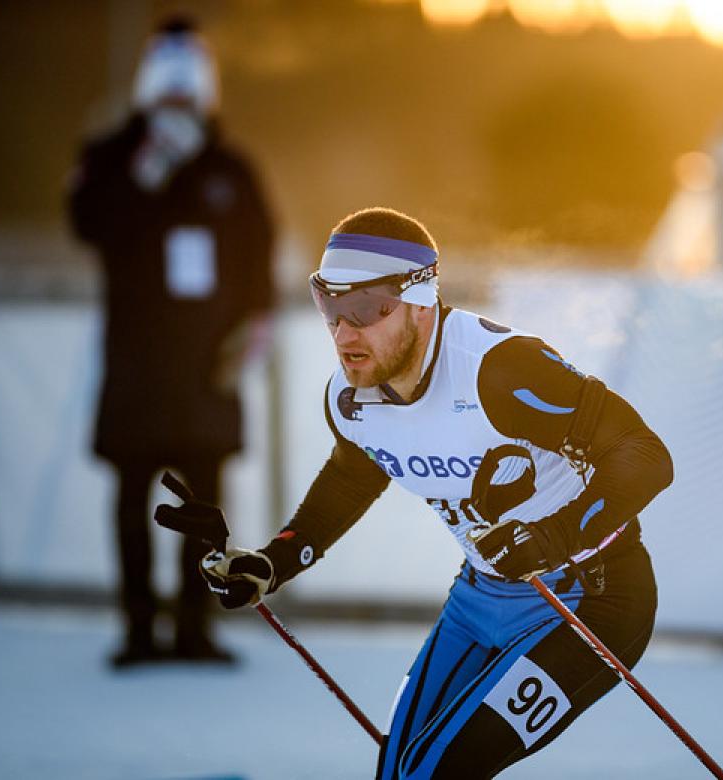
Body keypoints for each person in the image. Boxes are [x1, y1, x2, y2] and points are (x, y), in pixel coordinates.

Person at [169, 206, 673, 777]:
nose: (344, 332)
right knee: (400, 773)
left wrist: (553, 536)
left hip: (592, 598)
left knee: (440, 772)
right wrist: (273, 561)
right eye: (329, 308)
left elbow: (645, 455)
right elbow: (353, 476)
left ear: (420, 299)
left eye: (364, 308)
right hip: (483, 595)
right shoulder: (351, 399)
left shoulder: (499, 371)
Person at [67, 16, 275, 667]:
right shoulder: (111, 156)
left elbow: (259, 255)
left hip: (207, 368)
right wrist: (145, 172)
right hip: (134, 364)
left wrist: (256, 327)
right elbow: (86, 223)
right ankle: (137, 630)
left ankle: (194, 629)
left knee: (205, 503)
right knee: (132, 497)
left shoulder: (232, 168)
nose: (181, 106)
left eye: (191, 94)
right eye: (170, 93)